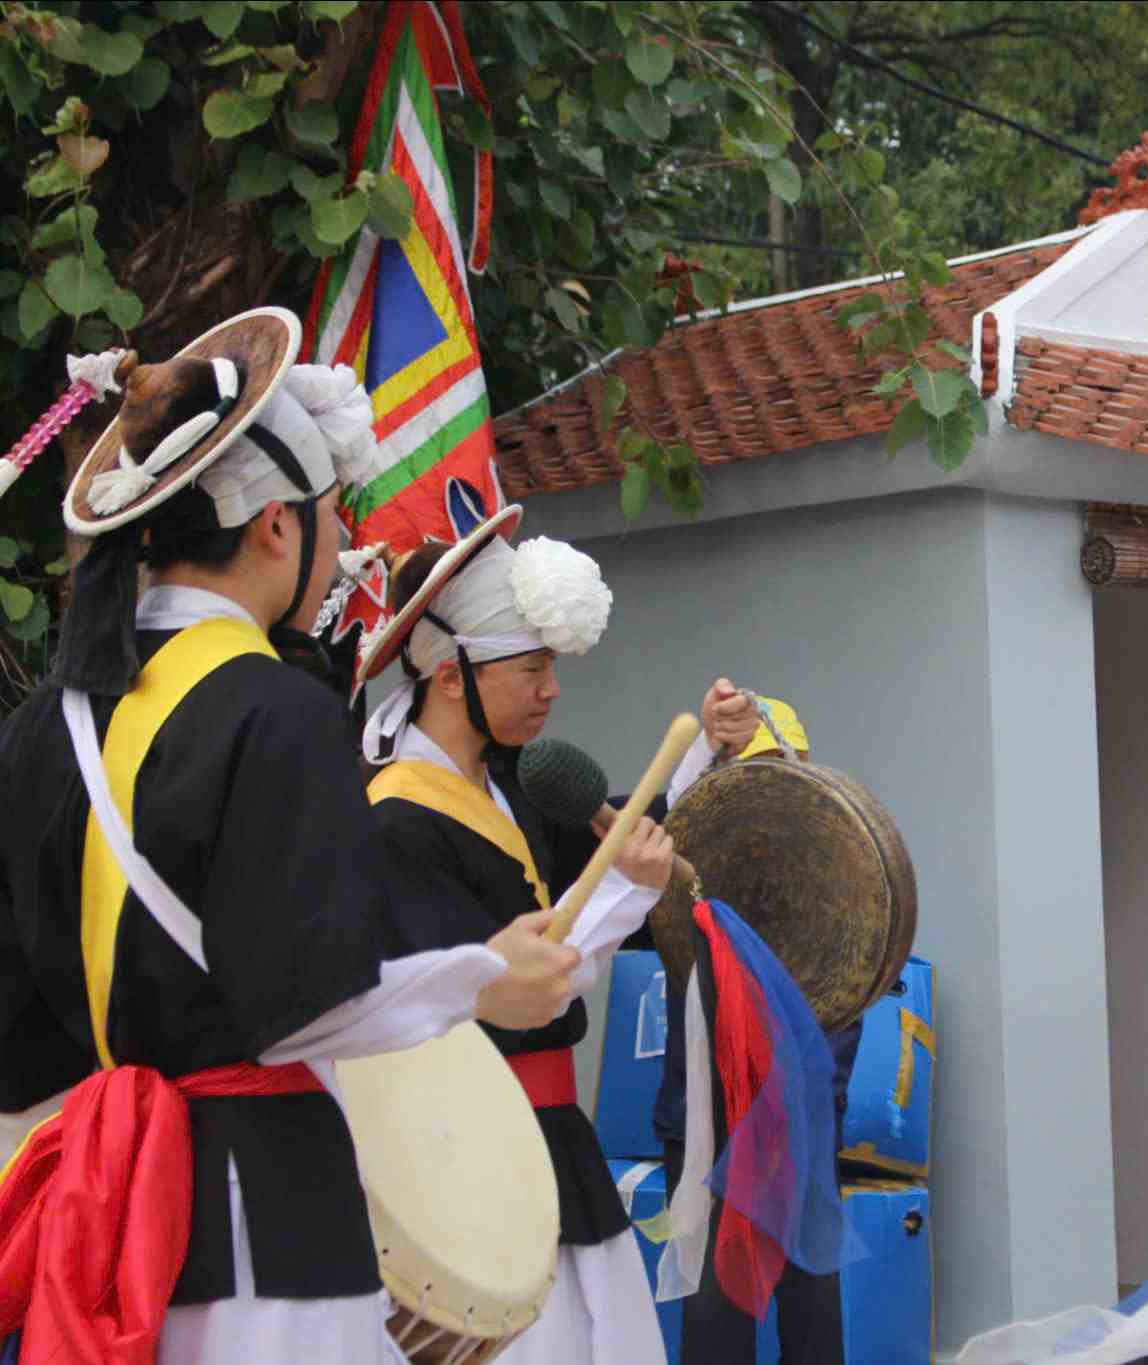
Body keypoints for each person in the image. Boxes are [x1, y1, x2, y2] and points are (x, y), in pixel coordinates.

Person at [0, 310, 582, 1363]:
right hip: (269, 1233)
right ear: (277, 526)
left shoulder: (43, 727)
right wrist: (481, 978)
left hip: (89, 1220)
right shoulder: (278, 711)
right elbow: (310, 1008)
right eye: (329, 514)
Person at [353, 508, 679, 1361]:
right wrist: (619, 893)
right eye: (531, 666)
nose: (552, 688)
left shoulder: (514, 790)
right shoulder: (398, 821)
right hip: (472, 1157)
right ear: (453, 675)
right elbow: (497, 1001)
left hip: (555, 1138)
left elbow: (598, 890)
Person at [651, 689, 867, 1365]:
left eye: (786, 769)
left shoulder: (838, 876)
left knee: (808, 1302)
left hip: (795, 1117)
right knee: (717, 1301)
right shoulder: (688, 867)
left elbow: (848, 988)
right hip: (708, 1117)